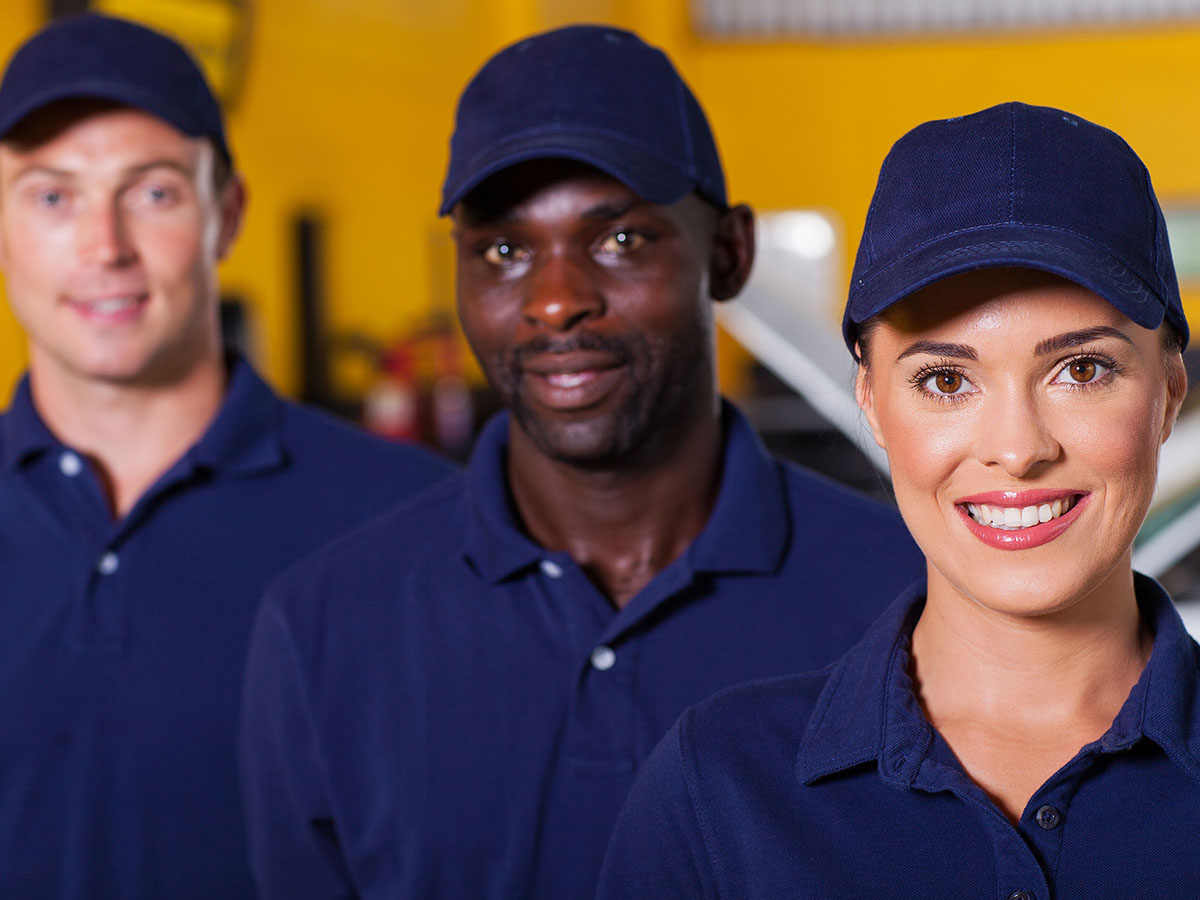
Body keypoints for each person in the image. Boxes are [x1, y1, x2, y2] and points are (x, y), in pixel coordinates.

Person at [238, 24, 924, 900]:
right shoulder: (325, 627)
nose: (556, 301)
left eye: (621, 241)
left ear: (728, 254)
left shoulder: (905, 606)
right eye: (503, 251)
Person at [596, 100, 1197, 899]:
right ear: (872, 403)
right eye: (946, 380)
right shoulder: (721, 788)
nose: (1018, 449)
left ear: (1168, 395)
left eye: (1081, 370)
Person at [0, 13, 453, 899]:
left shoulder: (411, 525)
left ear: (227, 213)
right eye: (53, 196)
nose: (104, 248)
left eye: (154, 192)